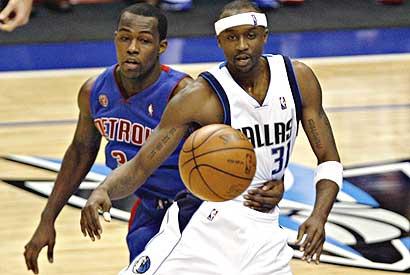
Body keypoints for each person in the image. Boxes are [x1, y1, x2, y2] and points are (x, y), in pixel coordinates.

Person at [81, 0, 343, 274]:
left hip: (264, 233)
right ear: (219, 41)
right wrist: (104, 190)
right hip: (203, 224)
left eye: (250, 35)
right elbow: (142, 164)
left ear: (264, 36)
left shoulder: (298, 80)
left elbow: (329, 159)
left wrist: (318, 216)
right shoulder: (199, 97)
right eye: (232, 38)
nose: (241, 45)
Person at [23, 3, 284, 274]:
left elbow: (239, 147)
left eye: (144, 40)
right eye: (125, 38)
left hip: (197, 210)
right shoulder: (94, 92)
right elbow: (79, 154)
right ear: (115, 39)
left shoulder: (185, 93)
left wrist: (274, 183)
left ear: (161, 47)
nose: (132, 48)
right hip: (148, 210)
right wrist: (47, 218)